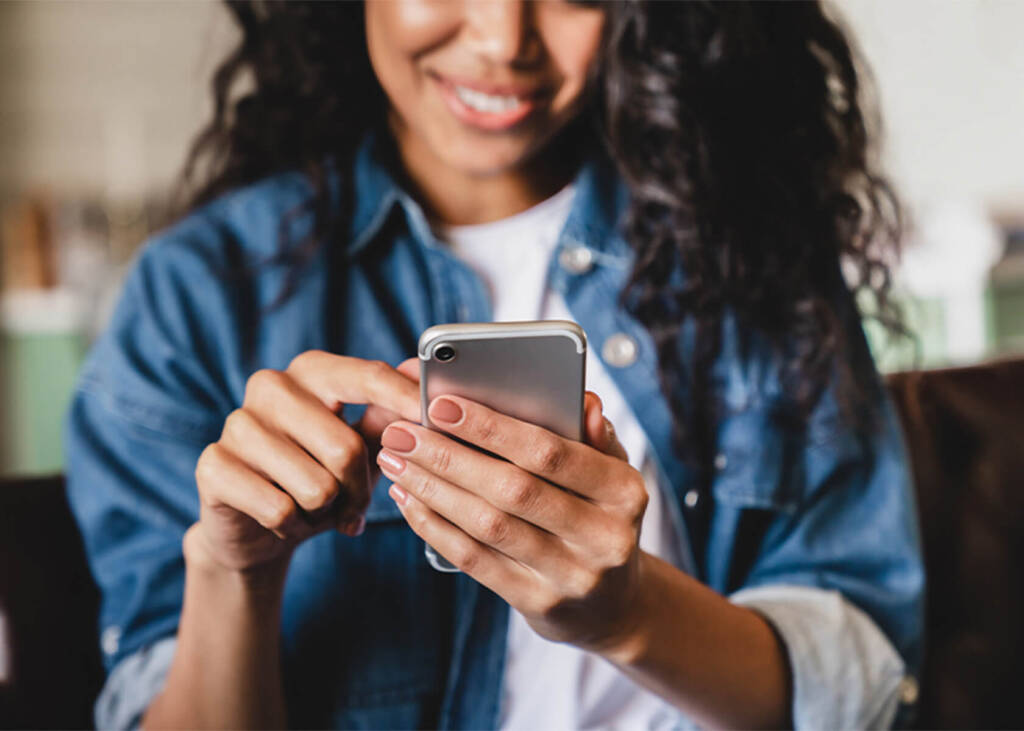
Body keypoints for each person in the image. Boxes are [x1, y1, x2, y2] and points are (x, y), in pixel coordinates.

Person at [65, 1, 925, 729]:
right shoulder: (199, 295)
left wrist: (628, 614)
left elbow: (863, 681)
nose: (504, 38)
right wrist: (232, 572)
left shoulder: (750, 253)